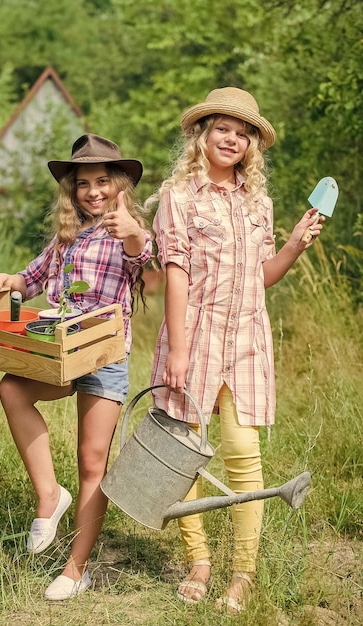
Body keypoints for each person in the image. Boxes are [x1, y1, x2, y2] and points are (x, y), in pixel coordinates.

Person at [147, 87, 324, 613]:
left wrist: (294, 244)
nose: (233, 138)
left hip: (247, 340)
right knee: (183, 456)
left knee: (245, 456)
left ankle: (243, 573)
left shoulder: (258, 202)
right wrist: (177, 348)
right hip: (194, 337)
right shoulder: (179, 197)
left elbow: (261, 278)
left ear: (251, 145)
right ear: (203, 134)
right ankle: (198, 559)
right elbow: (175, 273)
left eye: (243, 132)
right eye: (223, 128)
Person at [0, 134, 152, 600]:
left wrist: (131, 231)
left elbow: (143, 260)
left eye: (102, 182)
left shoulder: (128, 233)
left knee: (92, 462)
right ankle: (49, 494)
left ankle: (76, 569)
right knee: (13, 388)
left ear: (119, 186)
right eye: (83, 183)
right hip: (58, 351)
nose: (92, 191)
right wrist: (4, 281)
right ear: (72, 191)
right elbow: (29, 281)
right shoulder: (65, 237)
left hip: (104, 356)